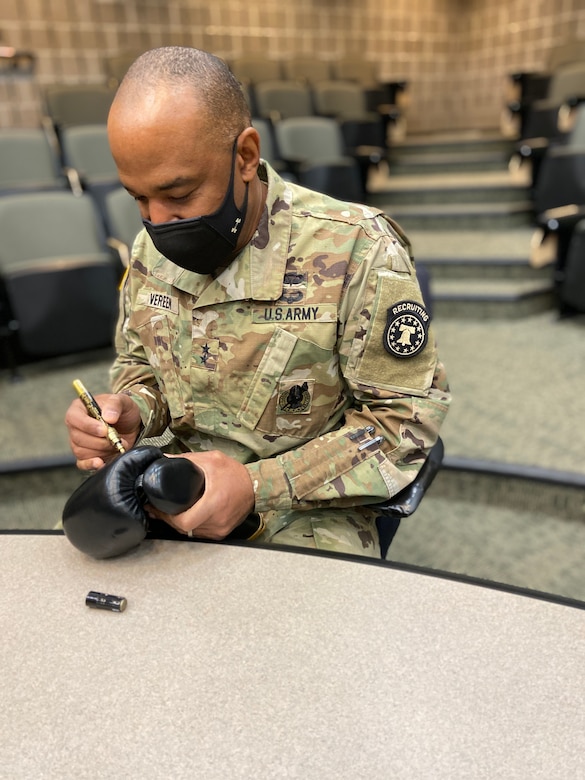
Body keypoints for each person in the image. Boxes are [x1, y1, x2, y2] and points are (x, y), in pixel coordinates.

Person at [65, 46, 451, 558]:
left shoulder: (357, 247)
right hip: (173, 488)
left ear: (245, 156)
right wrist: (134, 411)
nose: (157, 222)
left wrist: (256, 486)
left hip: (305, 505)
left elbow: (404, 423)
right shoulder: (146, 253)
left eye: (178, 195)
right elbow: (140, 366)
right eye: (138, 199)